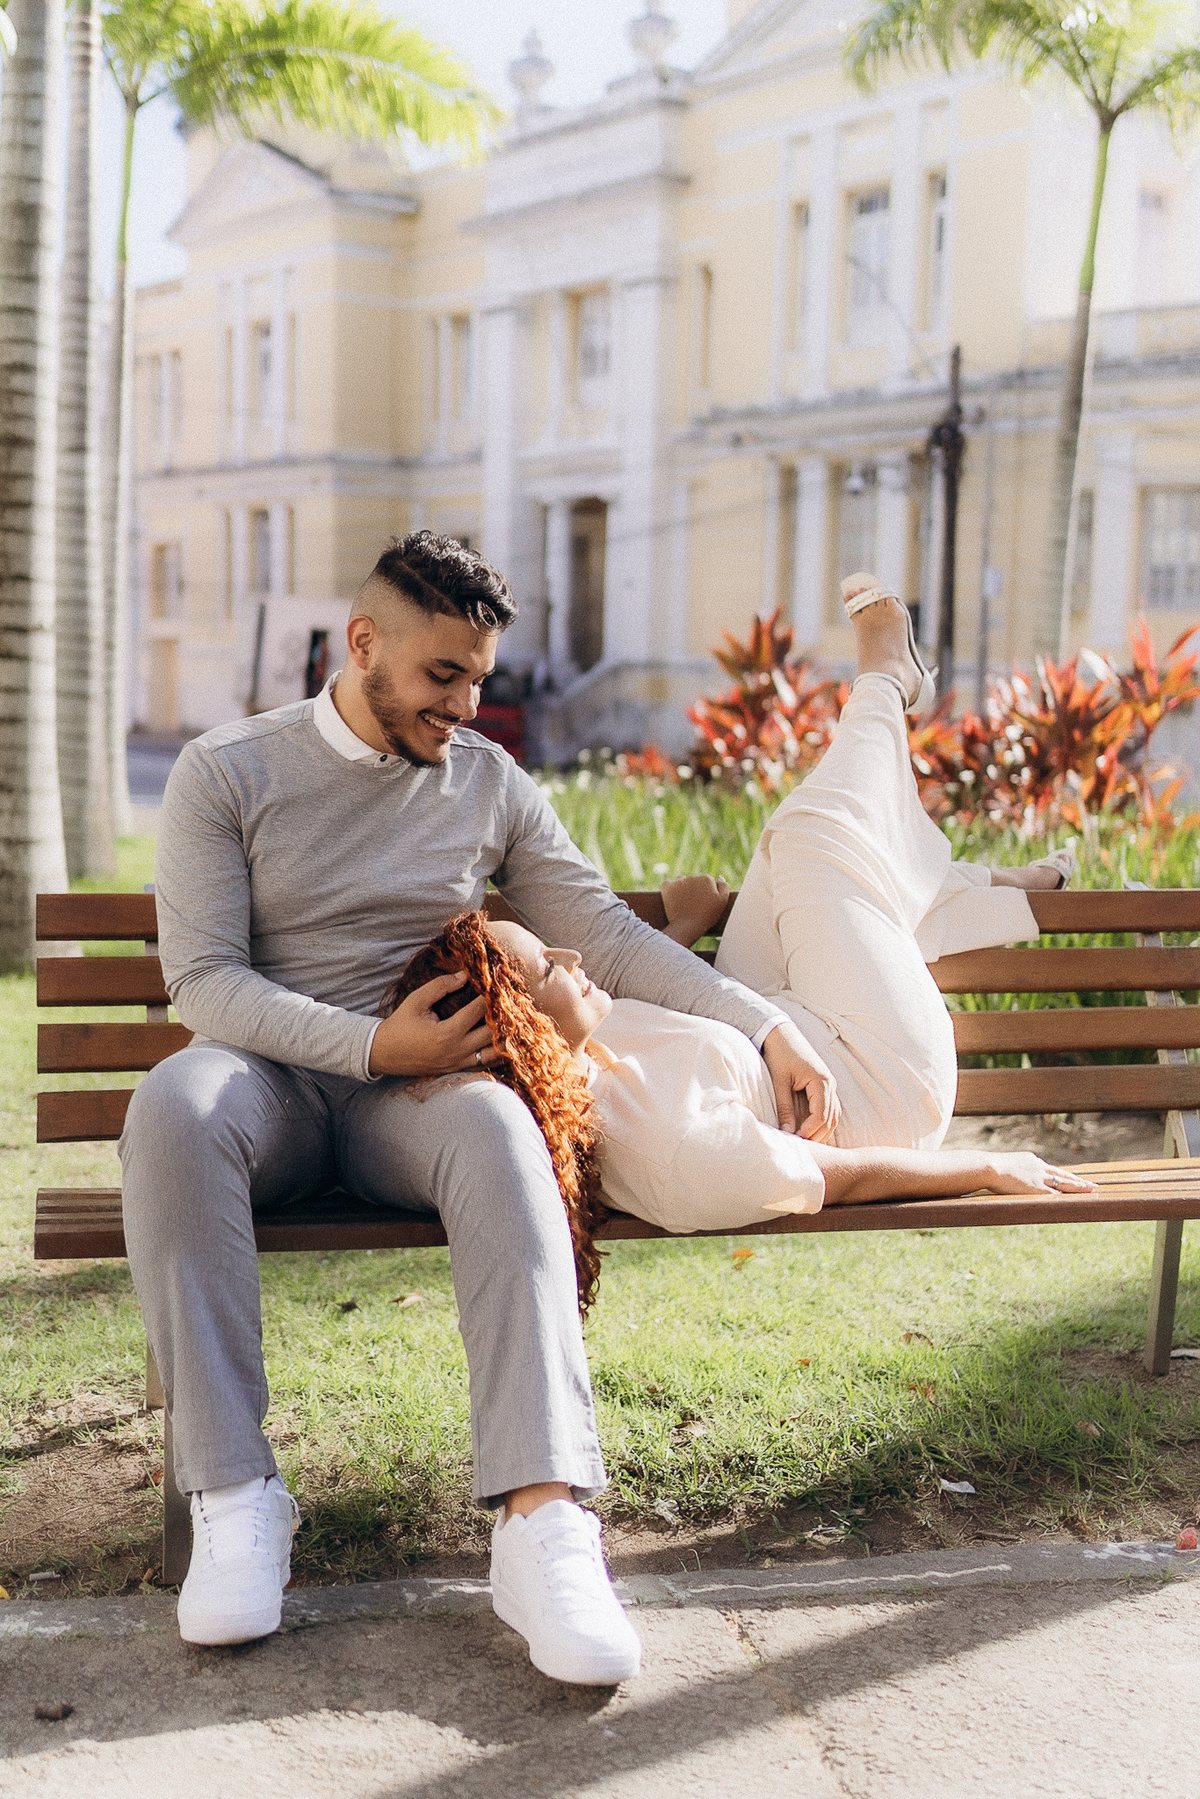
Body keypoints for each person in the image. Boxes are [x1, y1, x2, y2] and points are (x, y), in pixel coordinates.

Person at [120, 530, 832, 1686]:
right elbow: (203, 981)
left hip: (419, 1096)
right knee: (173, 1103)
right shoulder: (227, 770)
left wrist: (766, 1022)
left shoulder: (487, 782)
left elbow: (602, 932)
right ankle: (239, 1496)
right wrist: (364, 1039)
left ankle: (542, 1522)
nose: (465, 704)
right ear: (364, 645)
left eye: (481, 679)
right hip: (273, 1084)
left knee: (503, 1124)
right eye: (442, 675)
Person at [410, 571, 1096, 1240]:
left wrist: (686, 927)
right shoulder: (670, 1145)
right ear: (526, 1036)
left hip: (774, 1031)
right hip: (872, 1086)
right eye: (551, 967)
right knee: (809, 838)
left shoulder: (575, 1050)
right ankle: (887, 680)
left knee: (775, 852)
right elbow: (837, 1175)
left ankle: (984, 889)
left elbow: (653, 1024)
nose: (570, 955)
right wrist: (990, 1164)